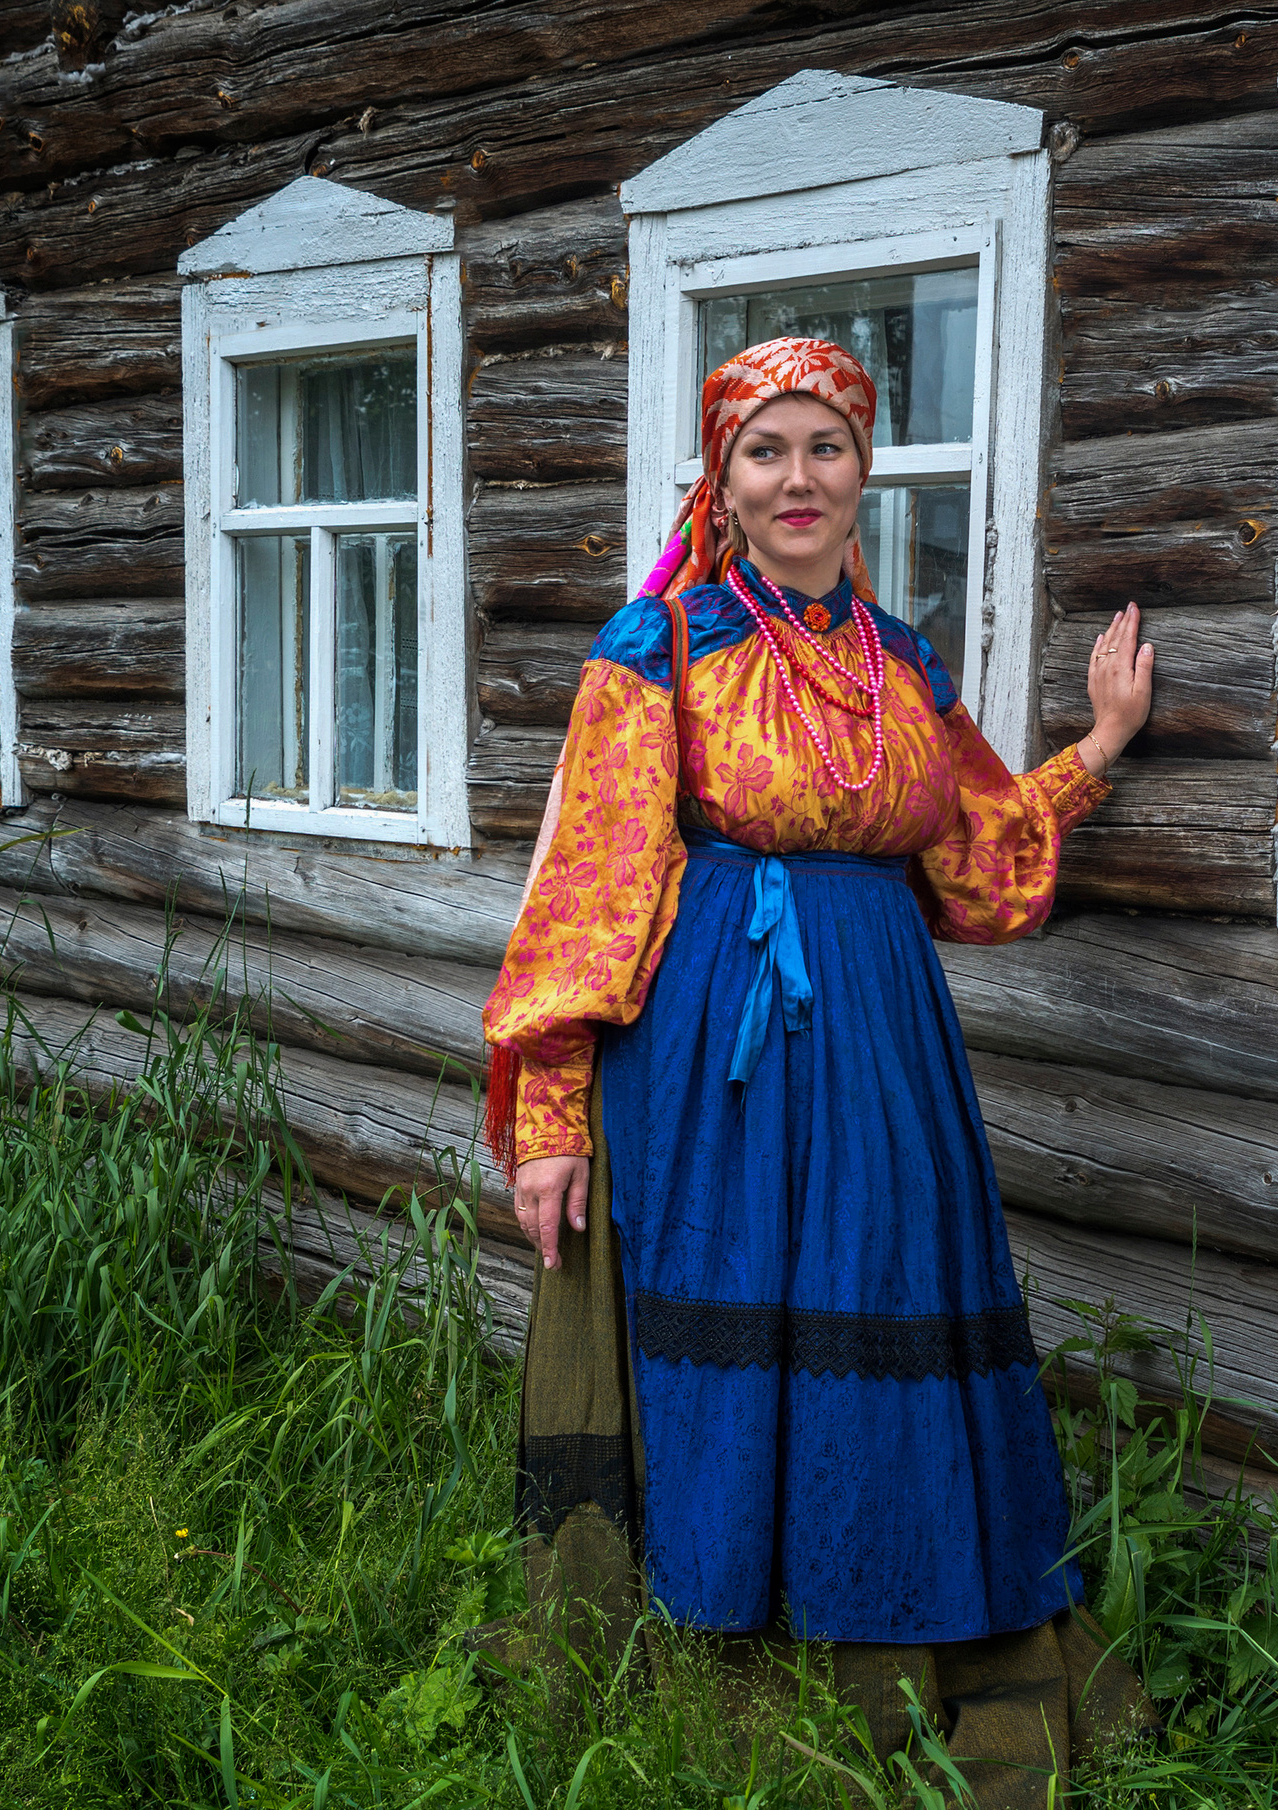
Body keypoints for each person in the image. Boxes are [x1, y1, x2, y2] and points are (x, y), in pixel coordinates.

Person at [479, 334, 1156, 1789]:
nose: (800, 476)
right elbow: (589, 881)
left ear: (865, 470)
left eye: (827, 446)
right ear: (719, 481)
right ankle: (718, 1628)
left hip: (880, 1040)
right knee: (731, 1305)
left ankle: (884, 1614)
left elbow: (972, 860)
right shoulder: (657, 648)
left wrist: (1093, 749)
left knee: (877, 1289)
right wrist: (548, 1105)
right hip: (709, 1044)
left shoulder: (901, 663)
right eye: (765, 450)